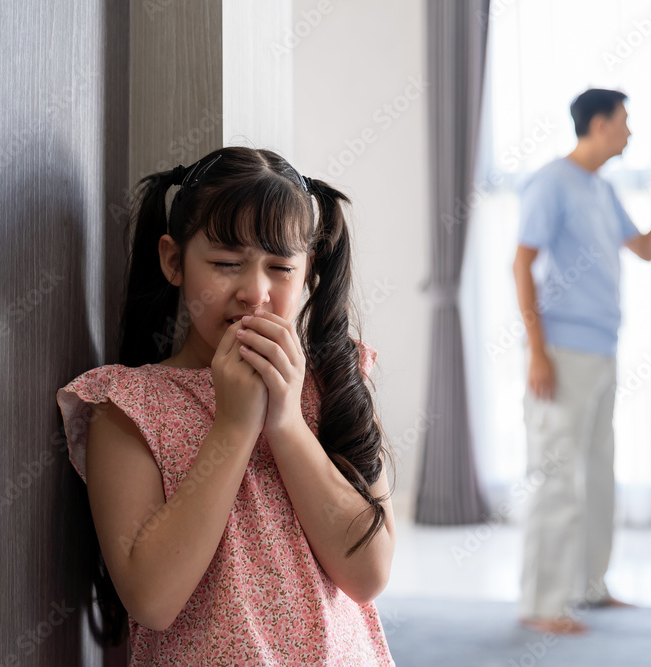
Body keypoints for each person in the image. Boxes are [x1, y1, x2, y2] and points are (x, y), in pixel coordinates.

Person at [56, 146, 396, 664]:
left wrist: (286, 423)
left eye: (280, 267)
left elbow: (369, 575)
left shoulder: (333, 386)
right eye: (226, 264)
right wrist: (234, 427)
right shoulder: (129, 407)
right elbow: (151, 600)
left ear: (308, 272)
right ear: (174, 261)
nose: (254, 293)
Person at [511, 88, 651, 634]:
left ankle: (589, 588)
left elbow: (645, 247)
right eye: (624, 122)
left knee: (596, 475)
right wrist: (537, 353)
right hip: (560, 352)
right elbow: (521, 264)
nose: (629, 132)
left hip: (601, 350)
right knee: (556, 477)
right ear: (598, 125)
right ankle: (543, 603)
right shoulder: (551, 182)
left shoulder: (601, 188)